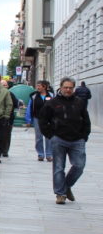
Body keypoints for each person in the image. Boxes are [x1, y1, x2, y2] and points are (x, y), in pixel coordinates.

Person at [39, 77, 91, 205]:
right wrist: (51, 135)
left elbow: (86, 120)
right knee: (58, 167)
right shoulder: (52, 102)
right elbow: (43, 120)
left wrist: (85, 135)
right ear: (61, 88)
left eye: (70, 88)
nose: (68, 90)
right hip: (59, 139)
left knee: (79, 165)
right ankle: (60, 194)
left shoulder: (79, 102)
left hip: (77, 139)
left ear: (73, 88)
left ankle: (66, 186)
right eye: (65, 87)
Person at [26, 80, 54, 161]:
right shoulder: (34, 96)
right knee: (39, 137)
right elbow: (29, 107)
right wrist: (28, 119)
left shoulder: (51, 95)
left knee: (49, 136)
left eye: (39, 86)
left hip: (49, 119)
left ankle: (49, 154)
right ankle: (40, 154)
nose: (37, 87)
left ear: (44, 87)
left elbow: (55, 106)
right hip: (37, 118)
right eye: (37, 86)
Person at [1, 80, 18, 158]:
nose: (4, 87)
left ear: (8, 86)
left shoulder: (11, 94)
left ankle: (5, 151)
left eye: (5, 85)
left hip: (9, 118)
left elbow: (16, 104)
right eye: (3, 85)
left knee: (7, 135)